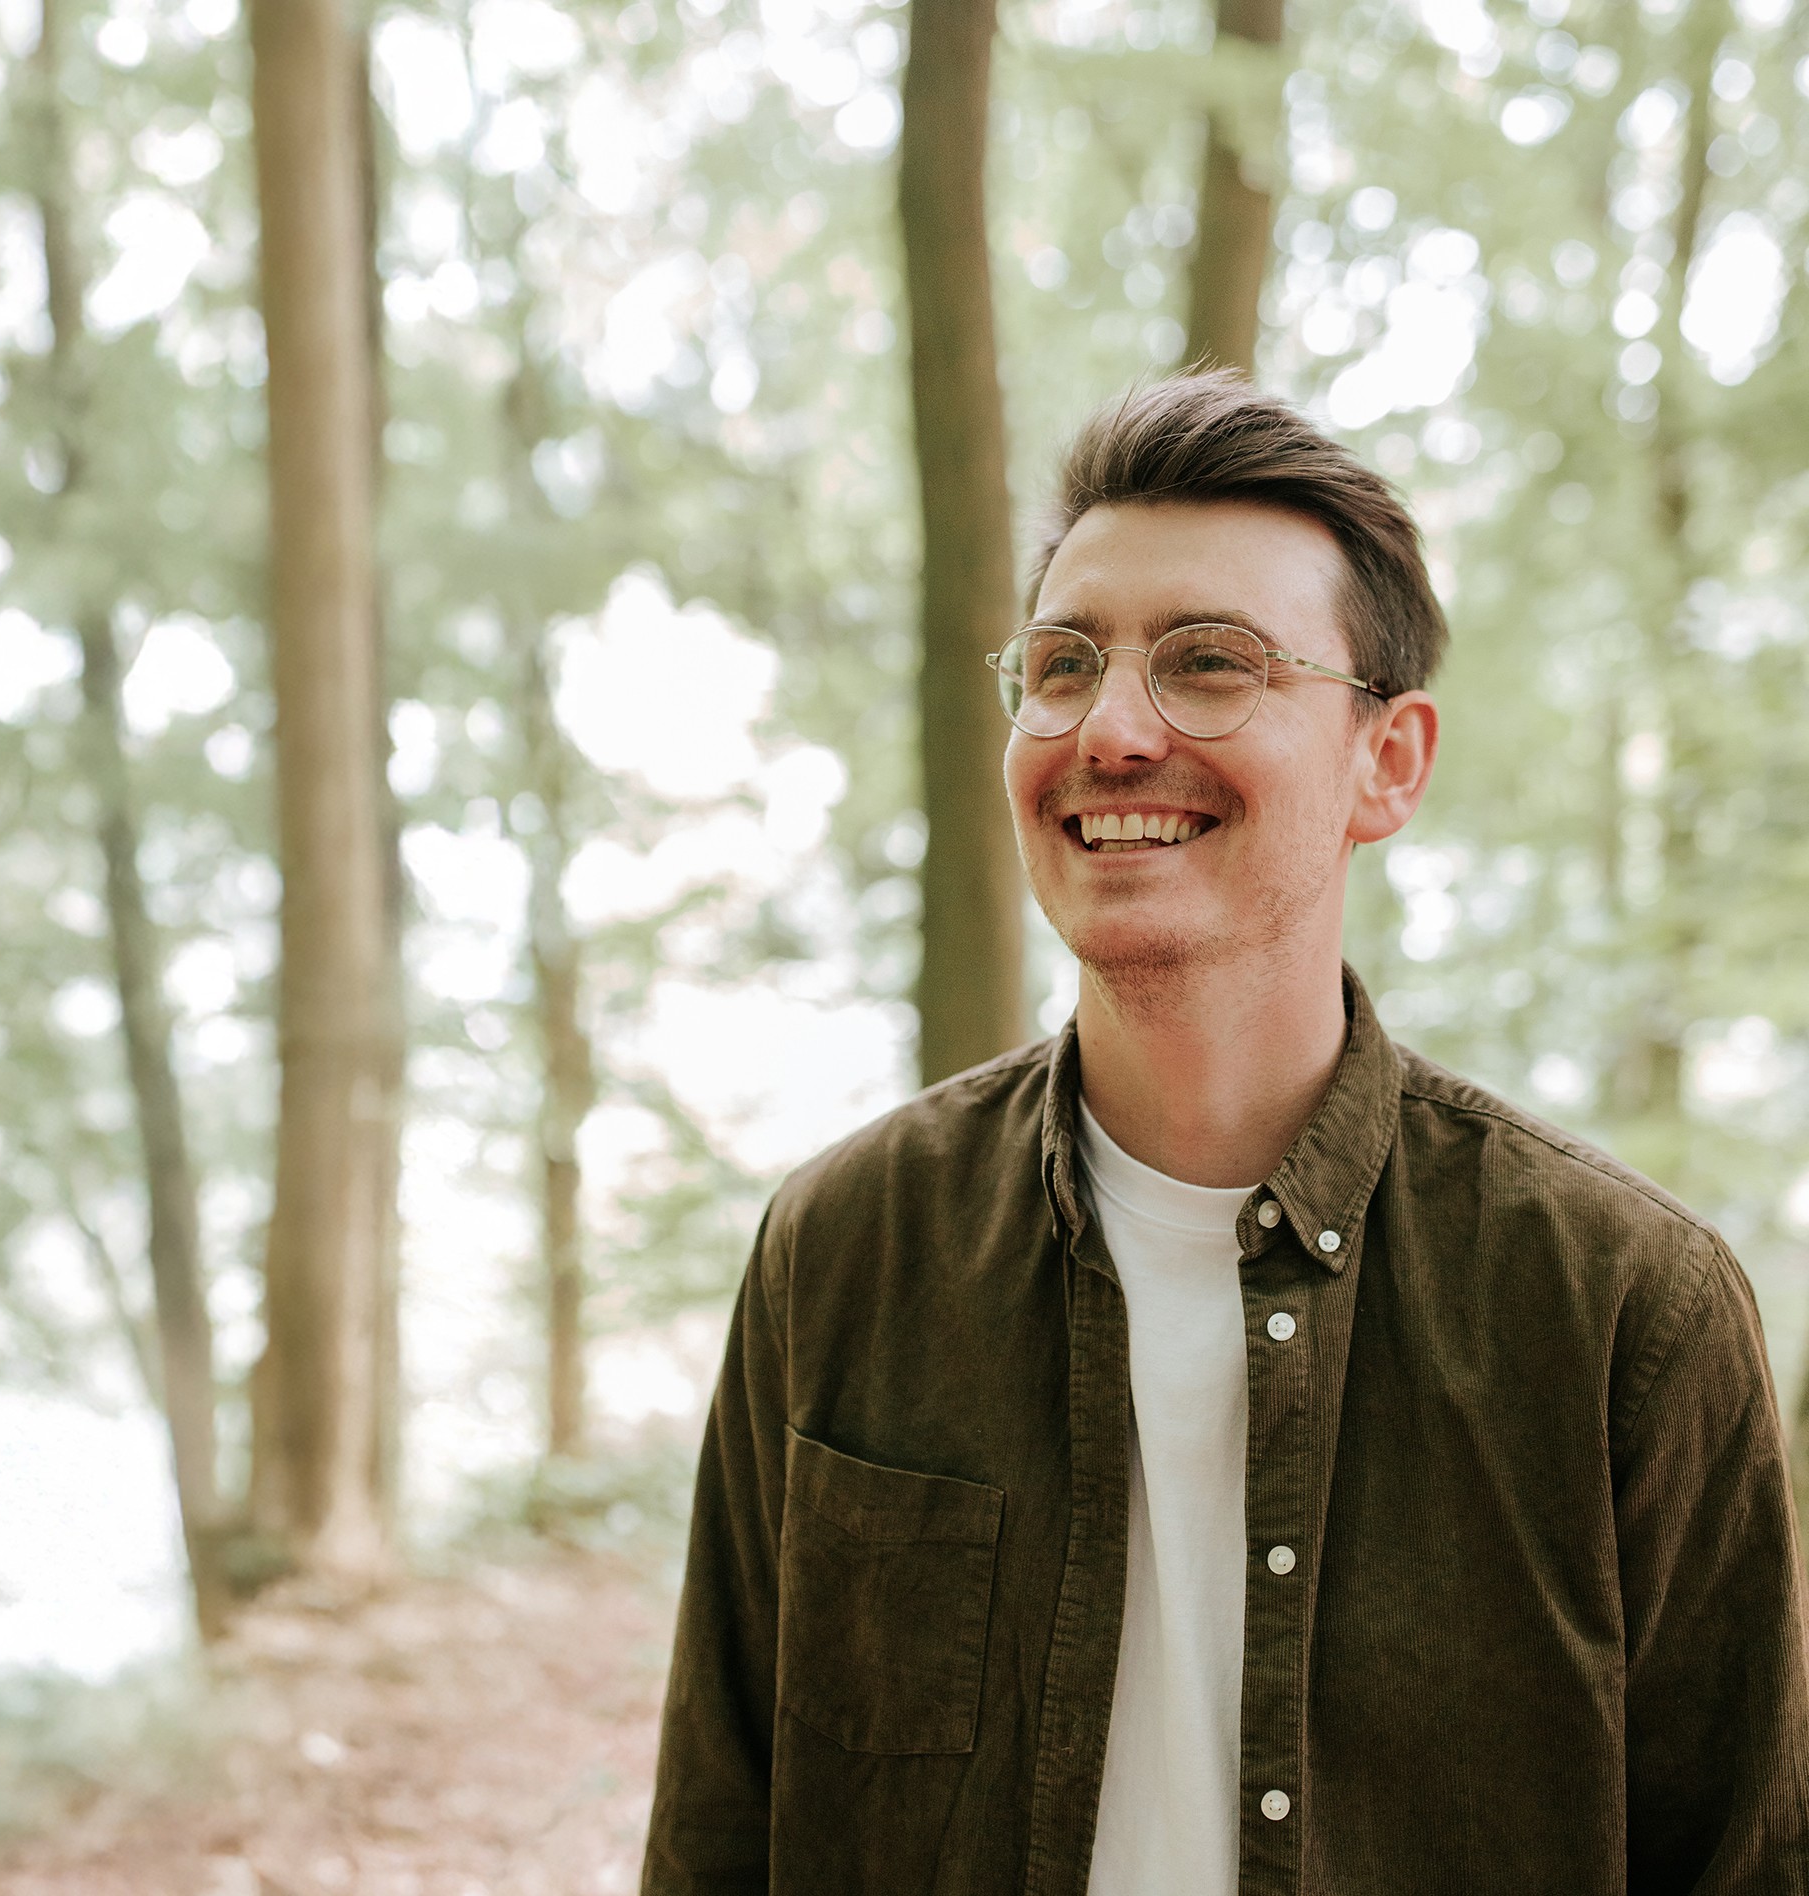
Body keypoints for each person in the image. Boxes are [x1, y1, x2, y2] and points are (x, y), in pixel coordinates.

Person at [639, 372, 1809, 1895]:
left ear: (1387, 763)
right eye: (1062, 665)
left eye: (1209, 665)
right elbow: (719, 1838)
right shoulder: (845, 1250)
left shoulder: (1623, 1316)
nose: (1112, 729)